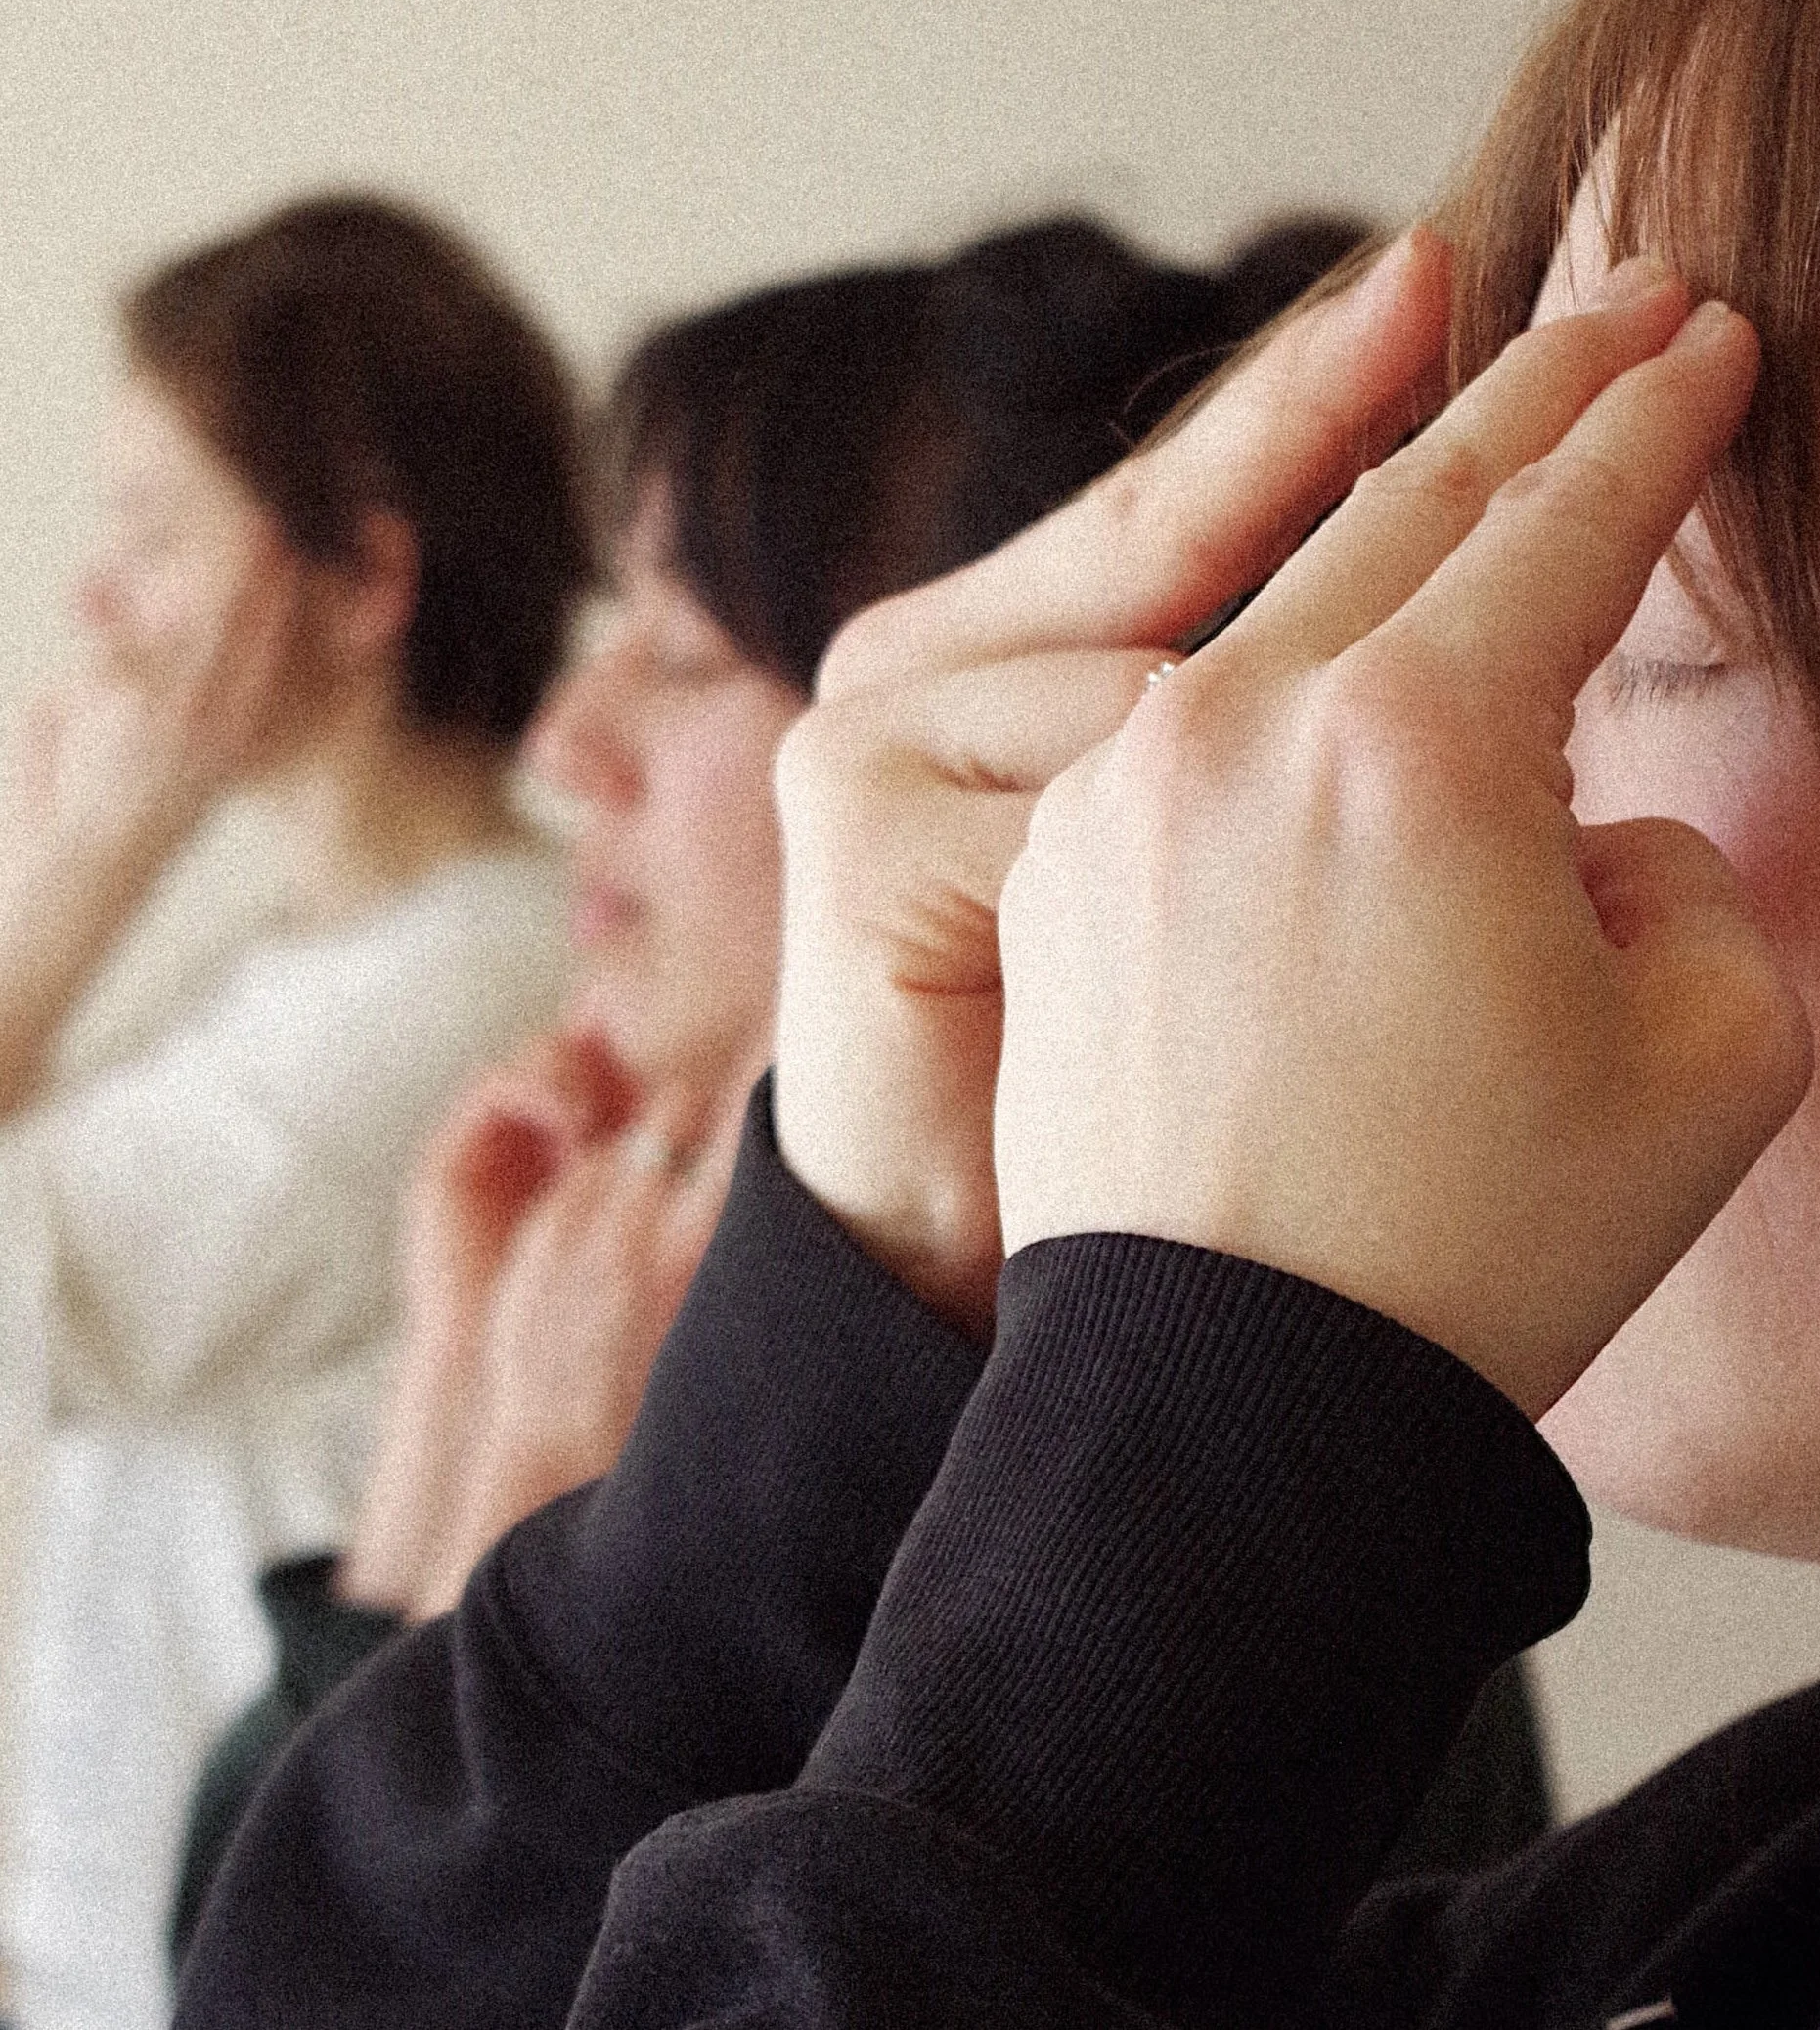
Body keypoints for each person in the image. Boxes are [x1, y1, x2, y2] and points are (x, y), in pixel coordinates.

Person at [166, 190, 1620, 2026]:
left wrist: (582, 1544)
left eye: (682, 655)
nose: (563, 742)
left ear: (1040, 737)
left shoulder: (1222, 1486)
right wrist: (463, 1431)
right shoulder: (694, 1287)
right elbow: (226, 1935)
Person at [0, 195, 587, 2030]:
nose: (99, 600)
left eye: (156, 532)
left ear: (362, 581)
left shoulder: (461, 987)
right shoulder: (307, 959)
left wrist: (82, 869)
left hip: (220, 1944)